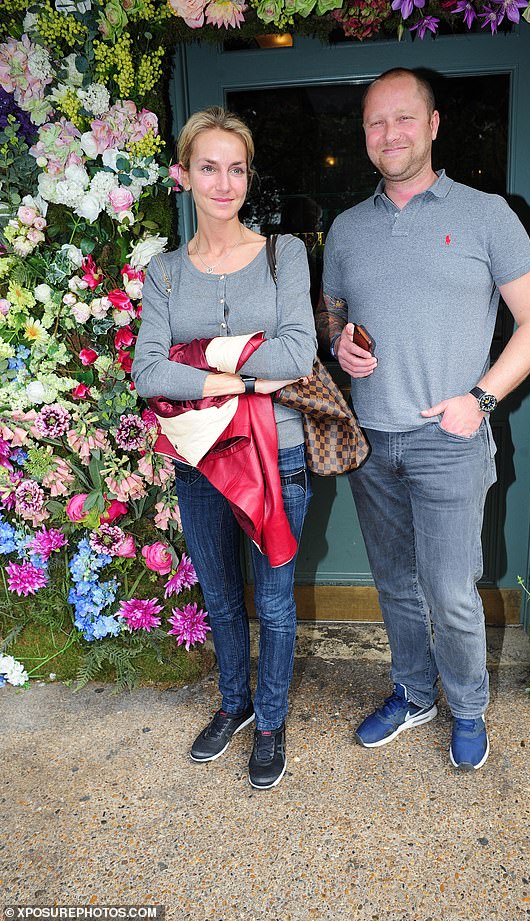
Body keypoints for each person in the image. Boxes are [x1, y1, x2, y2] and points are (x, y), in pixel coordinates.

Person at [317, 68, 530, 771]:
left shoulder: (486, 214)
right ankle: (415, 692)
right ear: (364, 136)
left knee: (451, 590)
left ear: (433, 125)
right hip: (373, 440)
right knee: (393, 582)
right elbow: (334, 310)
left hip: (450, 441)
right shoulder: (349, 228)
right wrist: (340, 343)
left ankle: (469, 706)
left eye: (402, 118)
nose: (388, 134)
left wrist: (479, 399)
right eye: (374, 123)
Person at [132, 107, 316, 790]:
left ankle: (269, 720)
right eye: (209, 166)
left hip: (279, 456)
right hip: (199, 461)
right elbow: (148, 371)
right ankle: (234, 703)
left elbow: (298, 352)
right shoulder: (166, 273)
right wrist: (241, 375)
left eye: (236, 168)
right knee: (219, 594)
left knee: (274, 599)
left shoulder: (282, 254)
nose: (224, 181)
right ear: (185, 175)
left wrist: (194, 364)